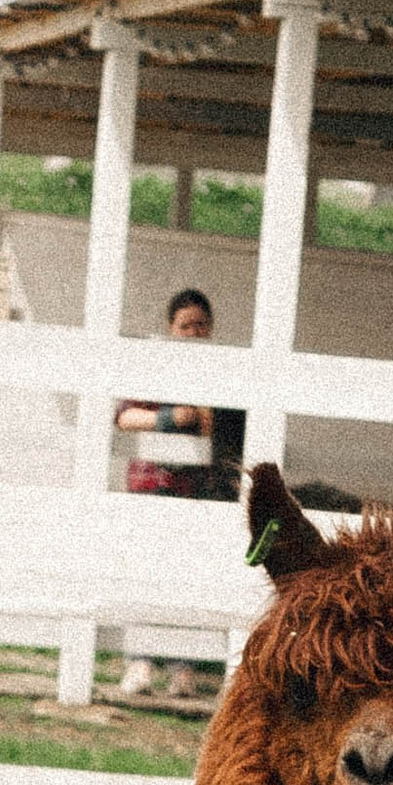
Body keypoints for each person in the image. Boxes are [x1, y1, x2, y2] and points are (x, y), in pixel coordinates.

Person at [115, 287, 244, 702]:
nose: (194, 332)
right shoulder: (154, 366)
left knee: (186, 577)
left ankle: (182, 667)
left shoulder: (221, 373)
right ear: (171, 328)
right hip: (151, 485)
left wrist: (206, 418)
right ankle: (139, 663)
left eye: (201, 325)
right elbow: (125, 416)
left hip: (197, 491)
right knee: (144, 573)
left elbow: (230, 429)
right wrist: (172, 419)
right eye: (185, 325)